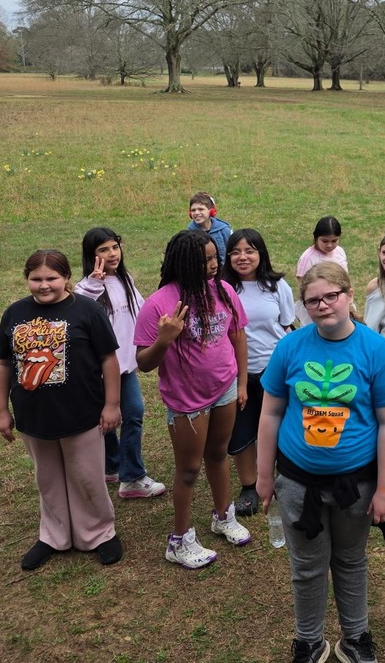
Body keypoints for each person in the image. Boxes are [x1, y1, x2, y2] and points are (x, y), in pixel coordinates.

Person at [257, 262, 385, 663]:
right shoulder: (290, 347)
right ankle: (309, 640)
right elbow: (270, 413)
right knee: (306, 565)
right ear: (303, 306)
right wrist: (263, 476)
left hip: (355, 485)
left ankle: (355, 638)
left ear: (349, 294)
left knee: (350, 560)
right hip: (296, 482)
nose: (323, 306)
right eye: (312, 301)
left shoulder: (377, 351)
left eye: (330, 296)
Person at [0, 249, 123, 571]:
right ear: (27, 279)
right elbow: (2, 363)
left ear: (66, 278)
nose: (44, 285)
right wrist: (0, 410)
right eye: (36, 279)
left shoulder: (87, 310)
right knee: (48, 479)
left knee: (87, 476)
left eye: (52, 278)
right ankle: (54, 535)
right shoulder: (14, 314)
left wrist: (111, 404)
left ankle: (99, 533)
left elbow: (109, 360)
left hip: (82, 413)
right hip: (34, 416)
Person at [134, 230, 250, 568]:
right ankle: (179, 541)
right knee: (188, 469)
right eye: (204, 261)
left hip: (224, 387)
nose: (213, 265)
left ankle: (223, 516)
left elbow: (237, 336)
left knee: (218, 454)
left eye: (215, 257)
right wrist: (165, 340)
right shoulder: (159, 303)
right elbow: (144, 363)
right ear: (182, 264)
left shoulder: (225, 291)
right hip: (187, 401)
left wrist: (241, 383)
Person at [75, 227, 166, 499]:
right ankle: (132, 477)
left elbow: (143, 309)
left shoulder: (125, 279)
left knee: (125, 416)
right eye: (103, 250)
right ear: (91, 256)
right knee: (125, 415)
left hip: (124, 366)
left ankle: (115, 467)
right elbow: (79, 311)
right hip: (99, 369)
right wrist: (94, 283)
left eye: (114, 247)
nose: (112, 253)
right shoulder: (85, 287)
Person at [222, 228, 296, 516]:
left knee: (278, 425)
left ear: (260, 254)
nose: (243, 257)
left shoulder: (277, 287)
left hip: (273, 369)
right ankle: (249, 487)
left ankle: (282, 478)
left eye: (249, 251)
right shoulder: (222, 289)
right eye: (236, 252)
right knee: (241, 430)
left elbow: (287, 326)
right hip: (235, 372)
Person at [295, 216, 348, 325]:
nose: (329, 245)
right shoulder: (307, 258)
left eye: (334, 241)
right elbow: (303, 289)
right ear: (316, 238)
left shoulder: (340, 252)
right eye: (324, 241)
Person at [187, 191, 232, 262]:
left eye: (201, 209)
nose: (196, 213)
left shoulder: (225, 230)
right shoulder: (188, 235)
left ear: (211, 211)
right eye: (193, 210)